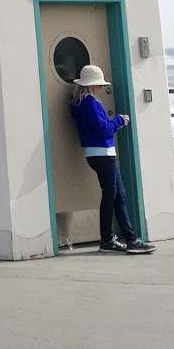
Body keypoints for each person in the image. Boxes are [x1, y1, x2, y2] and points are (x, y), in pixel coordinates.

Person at [71, 64, 155, 254]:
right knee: (112, 196)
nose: (101, 88)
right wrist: (119, 120)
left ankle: (127, 238)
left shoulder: (78, 103)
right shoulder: (90, 103)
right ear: (93, 86)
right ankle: (112, 239)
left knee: (118, 196)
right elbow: (104, 129)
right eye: (99, 85)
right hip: (103, 154)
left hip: (96, 154)